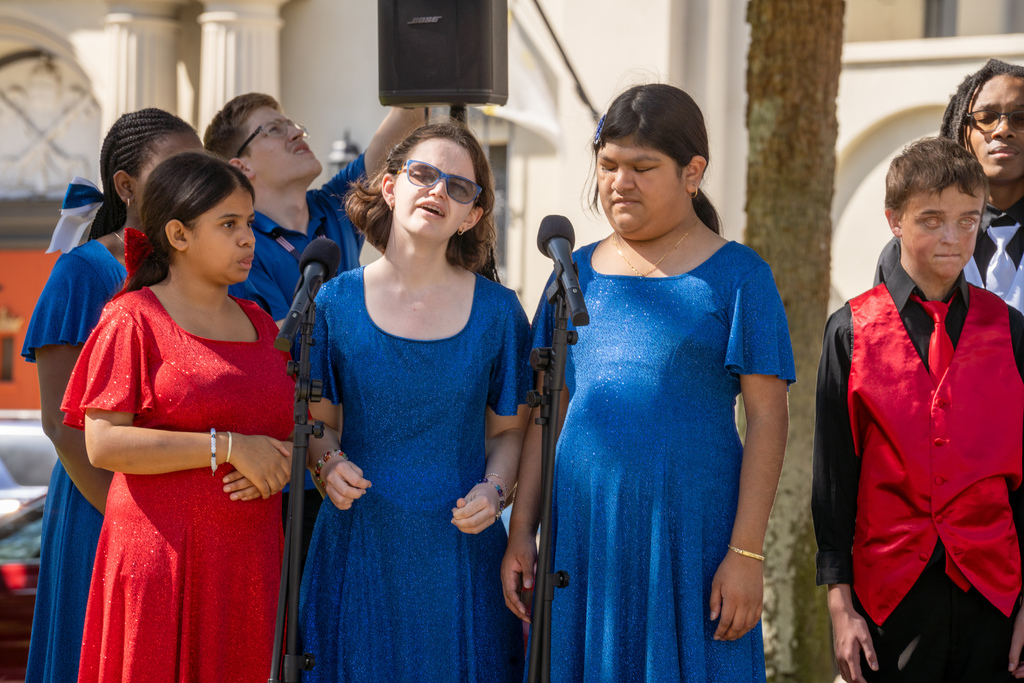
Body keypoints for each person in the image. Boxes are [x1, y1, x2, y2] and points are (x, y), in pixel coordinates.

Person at [501, 84, 795, 681]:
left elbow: (768, 417)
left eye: (642, 167)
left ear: (693, 173)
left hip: (693, 540)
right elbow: (547, 411)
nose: (618, 183)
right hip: (584, 541)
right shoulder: (570, 272)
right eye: (607, 166)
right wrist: (521, 533)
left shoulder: (740, 276)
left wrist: (745, 554)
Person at [298, 122, 531, 682]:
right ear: (389, 185)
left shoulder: (501, 313)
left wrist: (495, 491)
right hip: (357, 546)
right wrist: (327, 463)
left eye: (458, 187)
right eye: (423, 175)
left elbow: (508, 434)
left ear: (472, 215)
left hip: (462, 551)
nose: (437, 192)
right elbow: (317, 426)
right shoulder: (331, 300)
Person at [61, 151, 295, 682]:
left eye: (250, 223)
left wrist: (284, 458)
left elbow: (284, 430)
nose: (247, 239)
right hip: (160, 561)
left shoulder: (263, 325)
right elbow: (103, 444)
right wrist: (229, 446)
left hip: (249, 565)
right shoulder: (132, 317)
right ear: (179, 234)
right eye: (228, 224)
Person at [813, 137, 1024, 682]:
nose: (952, 238)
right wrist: (841, 606)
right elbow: (834, 480)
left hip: (994, 595)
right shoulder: (850, 331)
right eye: (931, 220)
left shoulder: (1011, 329)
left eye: (968, 220)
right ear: (894, 221)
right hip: (890, 599)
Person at [19, 108, 202, 683]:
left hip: (182, 513)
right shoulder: (81, 274)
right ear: (125, 186)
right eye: (177, 166)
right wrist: (132, 520)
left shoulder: (197, 276)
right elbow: (60, 423)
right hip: (101, 508)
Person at [204, 95, 424, 550]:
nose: (296, 132)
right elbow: (262, 346)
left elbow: (407, 122)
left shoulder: (333, 207)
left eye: (293, 122)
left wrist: (417, 63)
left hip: (359, 455)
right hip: (285, 476)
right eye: (272, 129)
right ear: (241, 166)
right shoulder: (239, 244)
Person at [875, 59, 1024, 311]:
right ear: (961, 131)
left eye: (1021, 118)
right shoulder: (907, 249)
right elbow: (884, 340)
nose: (1003, 129)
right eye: (986, 118)